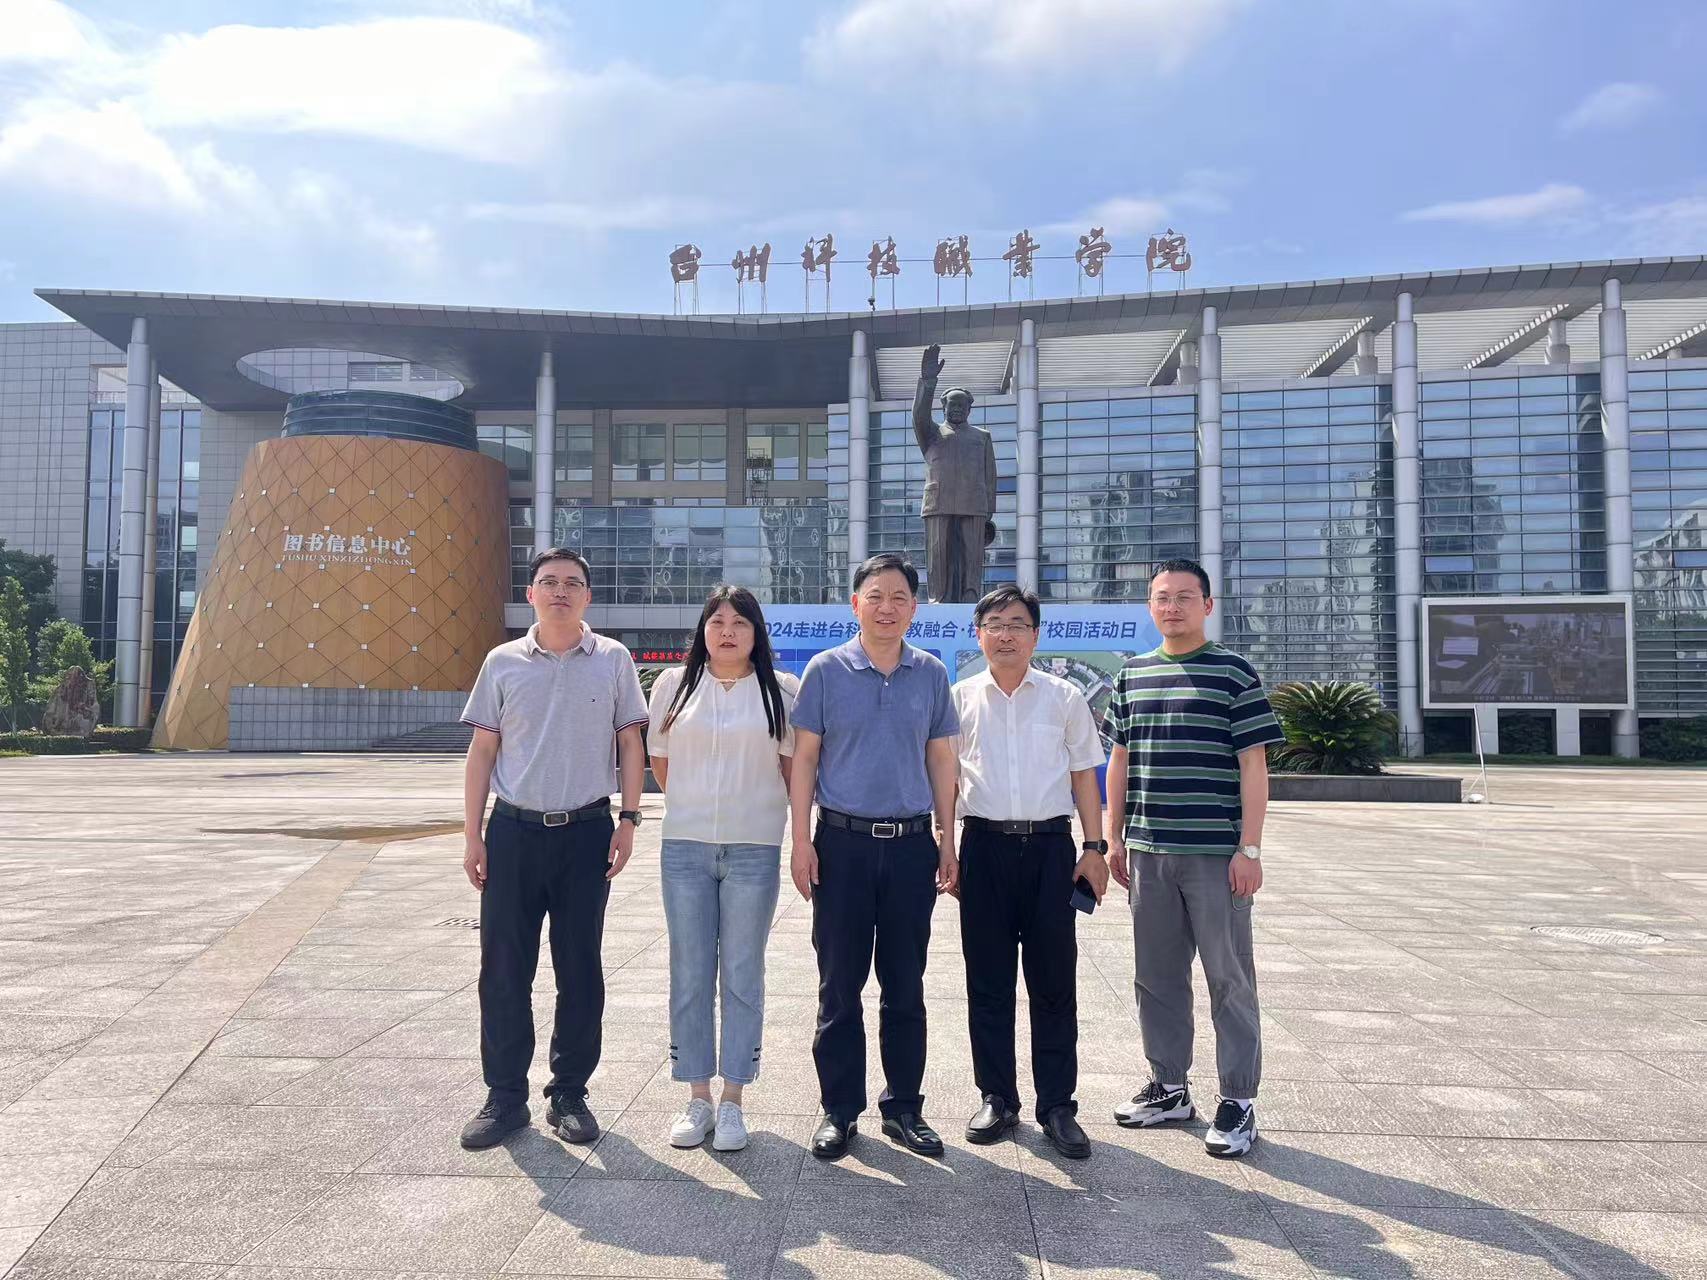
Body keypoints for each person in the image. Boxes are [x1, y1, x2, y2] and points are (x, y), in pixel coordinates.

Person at [457, 548, 648, 1150]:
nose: (560, 591)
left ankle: (568, 1092)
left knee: (580, 966)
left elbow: (631, 746)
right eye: (548, 582)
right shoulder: (502, 662)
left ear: (588, 595)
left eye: (572, 583)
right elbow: (483, 752)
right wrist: (472, 834)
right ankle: (505, 1096)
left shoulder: (613, 659)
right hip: (513, 832)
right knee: (503, 967)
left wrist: (628, 820)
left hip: (586, 832)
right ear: (531, 593)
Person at [1103, 558, 1285, 1158]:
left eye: (1185, 597)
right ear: (1149, 606)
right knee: (1155, 977)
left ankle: (1238, 1098)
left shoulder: (1233, 673)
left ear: (1207, 605)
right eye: (1162, 597)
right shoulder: (1132, 675)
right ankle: (1170, 1086)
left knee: (1229, 978)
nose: (1172, 606)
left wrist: (1249, 848)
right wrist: (1114, 837)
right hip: (1149, 852)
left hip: (1215, 854)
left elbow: (1253, 766)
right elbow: (1120, 761)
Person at [788, 552, 960, 1160]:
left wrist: (947, 838)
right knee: (839, 983)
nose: (887, 607)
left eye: (899, 597)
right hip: (842, 846)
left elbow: (941, 759)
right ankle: (839, 1110)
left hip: (912, 847)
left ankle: (904, 1107)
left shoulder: (931, 673)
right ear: (855, 604)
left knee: (905, 983)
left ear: (914, 608)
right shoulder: (826, 670)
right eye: (876, 596)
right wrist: (801, 840)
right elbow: (805, 759)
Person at [952, 585, 1108, 1158]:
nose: (1006, 634)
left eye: (1017, 624)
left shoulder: (1064, 698)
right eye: (994, 624)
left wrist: (1094, 846)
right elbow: (945, 779)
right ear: (979, 634)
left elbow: (1084, 776)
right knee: (987, 982)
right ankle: (997, 1097)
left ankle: (1058, 1106)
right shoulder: (959, 698)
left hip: (1049, 850)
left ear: (1035, 635)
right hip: (983, 848)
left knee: (1054, 982)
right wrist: (946, 846)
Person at [647, 586, 797, 1154]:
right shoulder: (673, 685)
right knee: (689, 971)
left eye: (740, 622)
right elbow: (662, 763)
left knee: (741, 972)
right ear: (702, 630)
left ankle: (733, 1098)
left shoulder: (783, 691)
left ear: (757, 633)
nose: (728, 631)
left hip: (754, 847)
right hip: (685, 847)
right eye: (717, 621)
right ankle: (697, 1096)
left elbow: (792, 771)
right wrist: (694, 806)